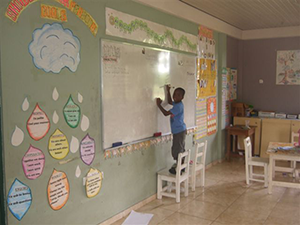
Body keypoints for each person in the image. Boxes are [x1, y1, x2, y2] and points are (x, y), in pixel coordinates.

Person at [156, 84, 186, 174]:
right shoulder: (177, 103)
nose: (175, 96)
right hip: (179, 131)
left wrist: (159, 105)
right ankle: (180, 167)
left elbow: (166, 113)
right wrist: (168, 91)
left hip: (179, 131)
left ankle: (179, 168)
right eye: (174, 94)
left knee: (178, 150)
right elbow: (170, 102)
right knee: (178, 149)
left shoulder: (178, 106)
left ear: (182, 97)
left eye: (178, 95)